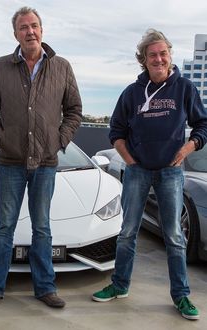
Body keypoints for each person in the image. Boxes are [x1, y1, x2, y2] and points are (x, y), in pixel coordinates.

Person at [92, 28, 207, 320]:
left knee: (174, 235)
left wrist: (186, 150)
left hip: (171, 174)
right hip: (138, 172)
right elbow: (115, 132)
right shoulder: (131, 93)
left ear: (169, 55)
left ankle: (181, 297)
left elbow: (202, 125)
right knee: (127, 232)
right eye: (152, 55)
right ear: (144, 60)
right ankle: (119, 285)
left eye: (163, 53)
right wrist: (130, 162)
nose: (158, 59)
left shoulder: (184, 88)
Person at [0, 6, 82, 309]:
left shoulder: (61, 66)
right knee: (4, 226)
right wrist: (1, 140)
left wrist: (59, 141)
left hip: (46, 163)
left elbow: (74, 110)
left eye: (34, 26)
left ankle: (45, 287)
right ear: (15, 34)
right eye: (23, 27)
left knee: (42, 228)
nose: (30, 31)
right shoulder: (1, 66)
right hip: (10, 162)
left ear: (42, 30)